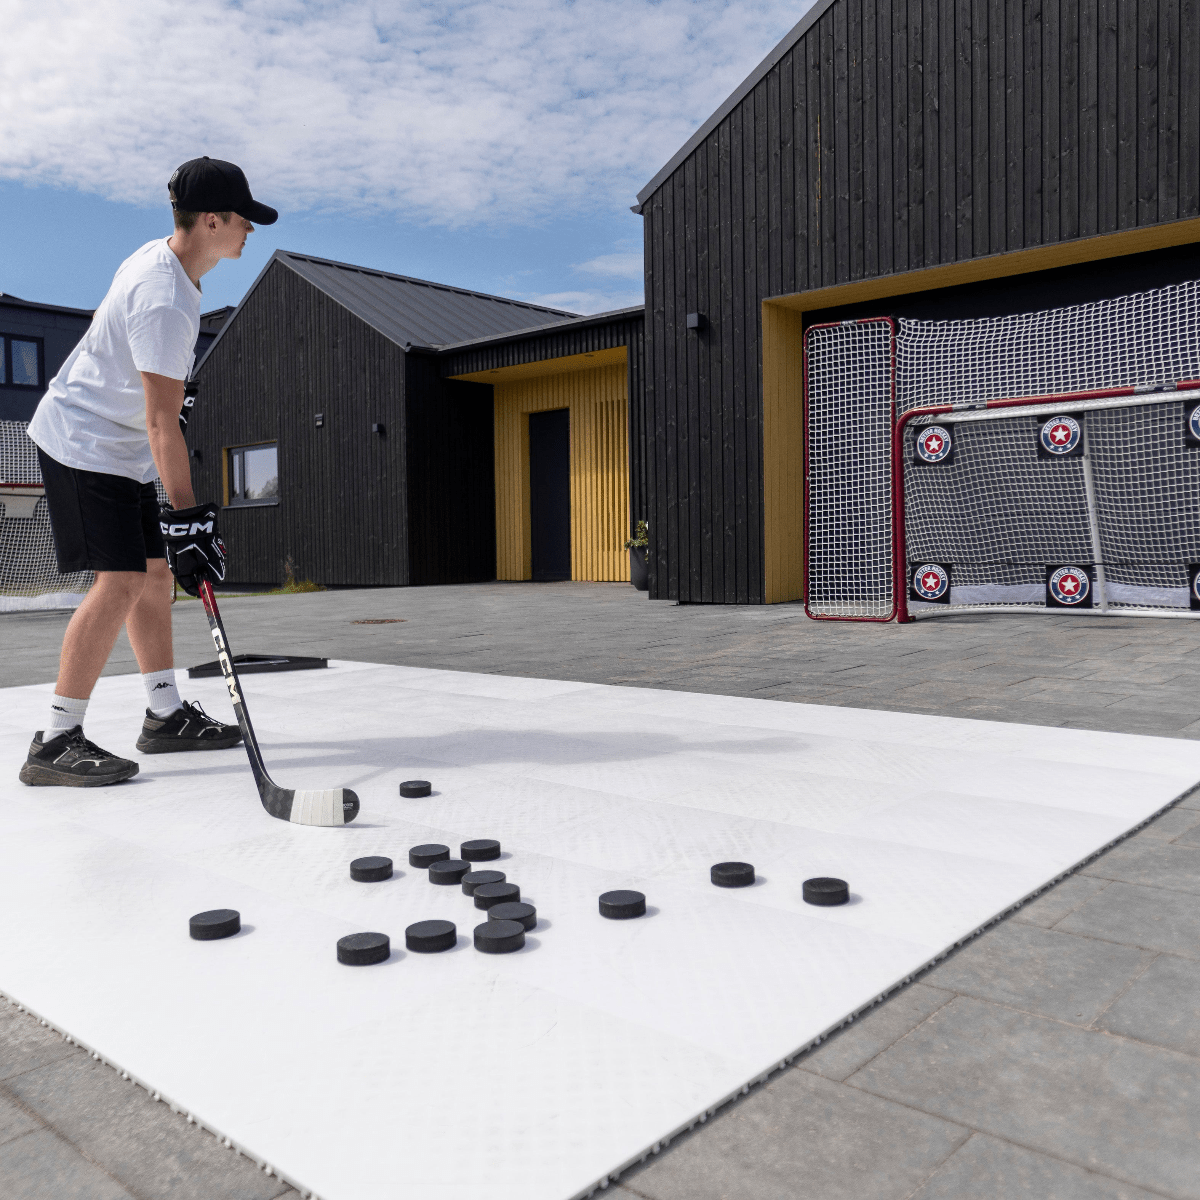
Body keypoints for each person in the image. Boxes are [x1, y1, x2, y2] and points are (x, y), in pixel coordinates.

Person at [19, 158, 278, 787]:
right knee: (120, 581)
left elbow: (157, 415)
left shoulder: (170, 268)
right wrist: (189, 518)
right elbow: (165, 422)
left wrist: (181, 526)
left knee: (154, 573)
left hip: (120, 444)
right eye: (243, 218)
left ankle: (164, 714)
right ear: (212, 220)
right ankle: (55, 739)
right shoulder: (164, 297)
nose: (250, 229)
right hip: (84, 442)